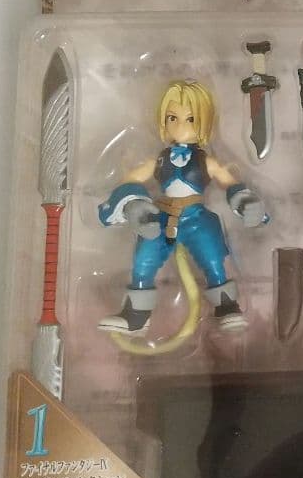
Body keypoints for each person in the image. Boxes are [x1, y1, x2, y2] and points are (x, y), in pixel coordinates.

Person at [97, 80, 267, 334]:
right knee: (143, 260)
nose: (179, 126)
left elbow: (229, 182)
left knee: (212, 257)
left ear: (204, 122)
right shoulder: (160, 159)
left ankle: (226, 305)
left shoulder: (205, 160)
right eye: (172, 117)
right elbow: (131, 179)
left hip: (196, 217)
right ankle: (137, 314)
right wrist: (134, 204)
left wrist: (246, 203)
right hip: (161, 217)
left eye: (190, 119)